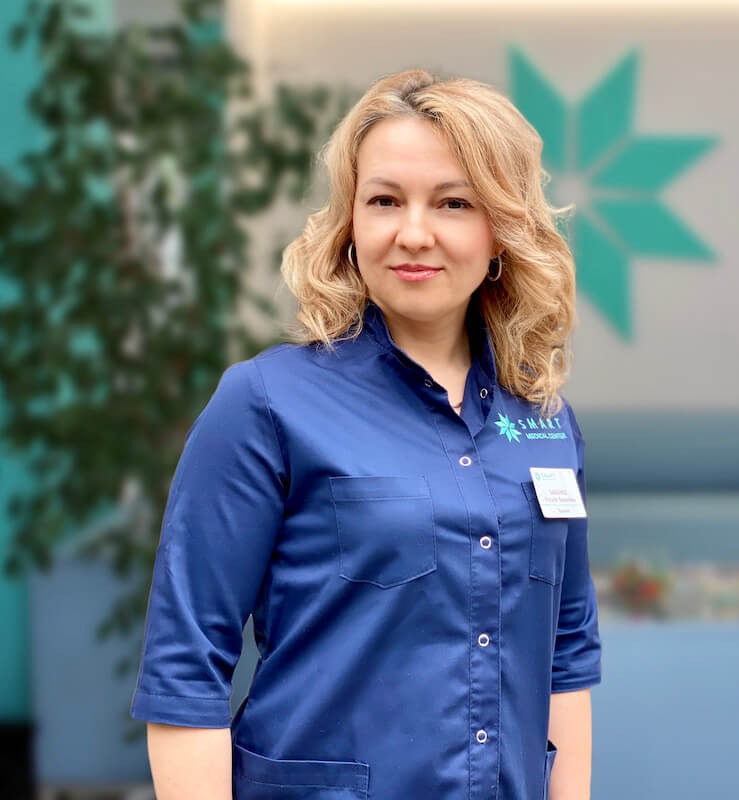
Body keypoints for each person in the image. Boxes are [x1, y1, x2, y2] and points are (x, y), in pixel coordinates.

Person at [130, 68, 602, 800]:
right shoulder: (265, 404)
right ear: (350, 224)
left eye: (453, 202)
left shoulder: (545, 421)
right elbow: (186, 668)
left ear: (501, 232)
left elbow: (564, 657)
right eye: (384, 200)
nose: (413, 233)